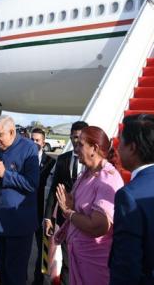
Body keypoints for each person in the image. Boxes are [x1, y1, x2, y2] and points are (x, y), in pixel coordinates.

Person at [109, 114, 154, 285]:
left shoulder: (129, 196)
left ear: (132, 147)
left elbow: (126, 266)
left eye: (121, 142)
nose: (118, 149)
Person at [54, 126, 123, 285]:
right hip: (79, 256)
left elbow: (98, 226)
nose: (76, 148)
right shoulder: (86, 174)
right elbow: (79, 209)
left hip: (94, 263)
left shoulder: (107, 178)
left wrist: (68, 212)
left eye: (80, 145)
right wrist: (71, 204)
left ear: (95, 148)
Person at [0, 115, 39, 285]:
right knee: (3, 270)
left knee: (16, 274)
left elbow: (32, 184)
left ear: (11, 132)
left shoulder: (29, 148)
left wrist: (5, 175)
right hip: (1, 221)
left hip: (19, 224)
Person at [43, 120, 88, 285]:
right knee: (67, 262)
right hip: (64, 220)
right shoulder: (62, 159)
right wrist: (48, 217)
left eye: (79, 137)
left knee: (81, 262)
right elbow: (54, 189)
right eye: (73, 137)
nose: (76, 141)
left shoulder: (92, 163)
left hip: (85, 220)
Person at [31, 127, 56, 285]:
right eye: (32, 140)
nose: (34, 143)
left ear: (44, 142)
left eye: (37, 140)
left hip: (42, 211)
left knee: (43, 249)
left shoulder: (51, 162)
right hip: (26, 212)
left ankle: (39, 280)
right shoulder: (24, 159)